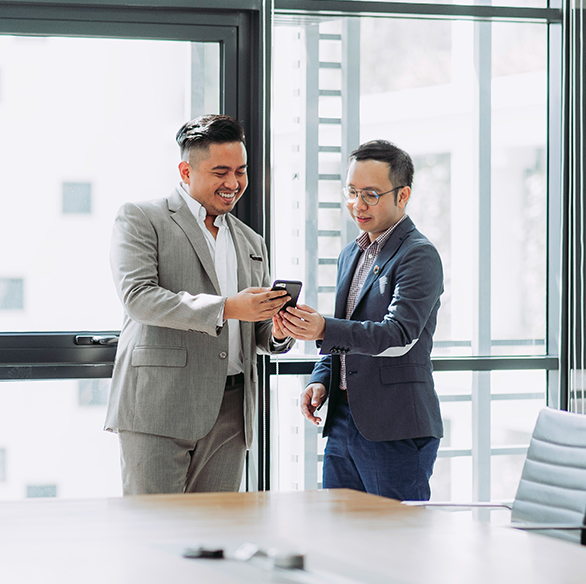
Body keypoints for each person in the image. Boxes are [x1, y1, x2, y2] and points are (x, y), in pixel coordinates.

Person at [105, 114, 294, 495]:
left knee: (216, 536)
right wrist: (226, 307)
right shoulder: (142, 218)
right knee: (155, 531)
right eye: (220, 171)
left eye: (240, 171)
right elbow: (139, 298)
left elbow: (253, 329)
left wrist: (275, 330)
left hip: (233, 412)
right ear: (185, 171)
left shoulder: (251, 241)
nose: (234, 183)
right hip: (159, 404)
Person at [277, 139, 443, 501]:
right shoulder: (351, 253)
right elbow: (347, 331)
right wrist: (321, 379)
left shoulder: (418, 255)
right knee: (341, 540)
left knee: (396, 545)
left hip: (394, 427)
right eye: (351, 192)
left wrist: (323, 328)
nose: (357, 204)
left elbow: (398, 335)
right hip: (342, 422)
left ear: (403, 196)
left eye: (370, 194)